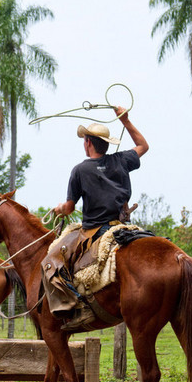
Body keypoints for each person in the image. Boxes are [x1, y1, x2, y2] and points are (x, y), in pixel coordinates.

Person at [43, 106, 149, 331]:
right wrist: (126, 121)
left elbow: (70, 208)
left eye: (85, 139)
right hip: (122, 226)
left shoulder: (80, 170)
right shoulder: (121, 160)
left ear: (88, 143)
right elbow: (143, 146)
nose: (84, 143)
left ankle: (76, 307)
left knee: (52, 261)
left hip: (94, 230)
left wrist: (59, 209)